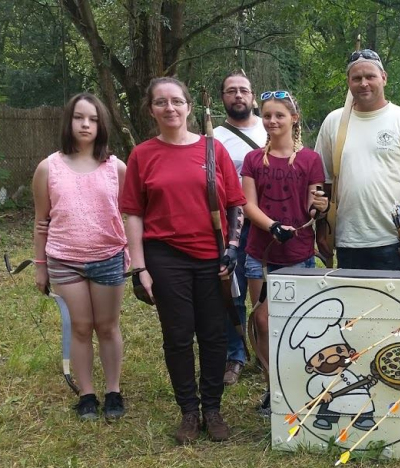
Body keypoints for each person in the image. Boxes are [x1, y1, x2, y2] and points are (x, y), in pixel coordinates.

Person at [121, 77, 246, 444]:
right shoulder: (142, 155)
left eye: (176, 101)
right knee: (177, 337)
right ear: (151, 110)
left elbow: (236, 202)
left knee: (212, 335)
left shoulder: (213, 150)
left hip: (213, 256)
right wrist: (138, 267)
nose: (170, 108)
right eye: (161, 102)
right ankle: (188, 412)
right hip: (165, 257)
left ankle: (212, 408)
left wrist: (234, 247)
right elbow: (133, 214)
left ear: (189, 107)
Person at [31, 92, 127, 421]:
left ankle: (113, 390)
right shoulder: (48, 167)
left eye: (93, 119)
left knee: (108, 326)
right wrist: (41, 266)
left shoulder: (116, 167)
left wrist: (133, 253)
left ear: (101, 125)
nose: (85, 124)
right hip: (64, 260)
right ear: (68, 121)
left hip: (108, 257)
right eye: (79, 117)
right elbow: (41, 221)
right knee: (81, 328)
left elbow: (129, 214)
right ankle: (87, 394)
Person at [240, 89, 327, 415]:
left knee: (298, 324)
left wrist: (320, 205)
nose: (272, 121)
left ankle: (299, 385)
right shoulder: (253, 160)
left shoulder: (310, 160)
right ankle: (271, 387)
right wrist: (272, 225)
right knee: (263, 321)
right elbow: (247, 204)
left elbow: (313, 203)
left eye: (279, 115)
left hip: (299, 255)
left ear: (294, 118)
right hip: (260, 256)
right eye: (267, 115)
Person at [314, 49, 400, 270]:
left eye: (370, 76)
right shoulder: (334, 122)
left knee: (394, 305)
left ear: (384, 77)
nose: (364, 83)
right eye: (357, 78)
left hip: (395, 242)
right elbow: (323, 181)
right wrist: (323, 230)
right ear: (348, 82)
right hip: (348, 240)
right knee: (350, 303)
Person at [213, 70, 268, 386]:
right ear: (223, 98)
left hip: (265, 224)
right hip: (228, 225)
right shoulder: (215, 137)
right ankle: (235, 355)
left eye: (243, 90)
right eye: (231, 90)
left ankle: (267, 353)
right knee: (230, 293)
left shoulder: (271, 126)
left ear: (252, 95)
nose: (237, 95)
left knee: (266, 294)